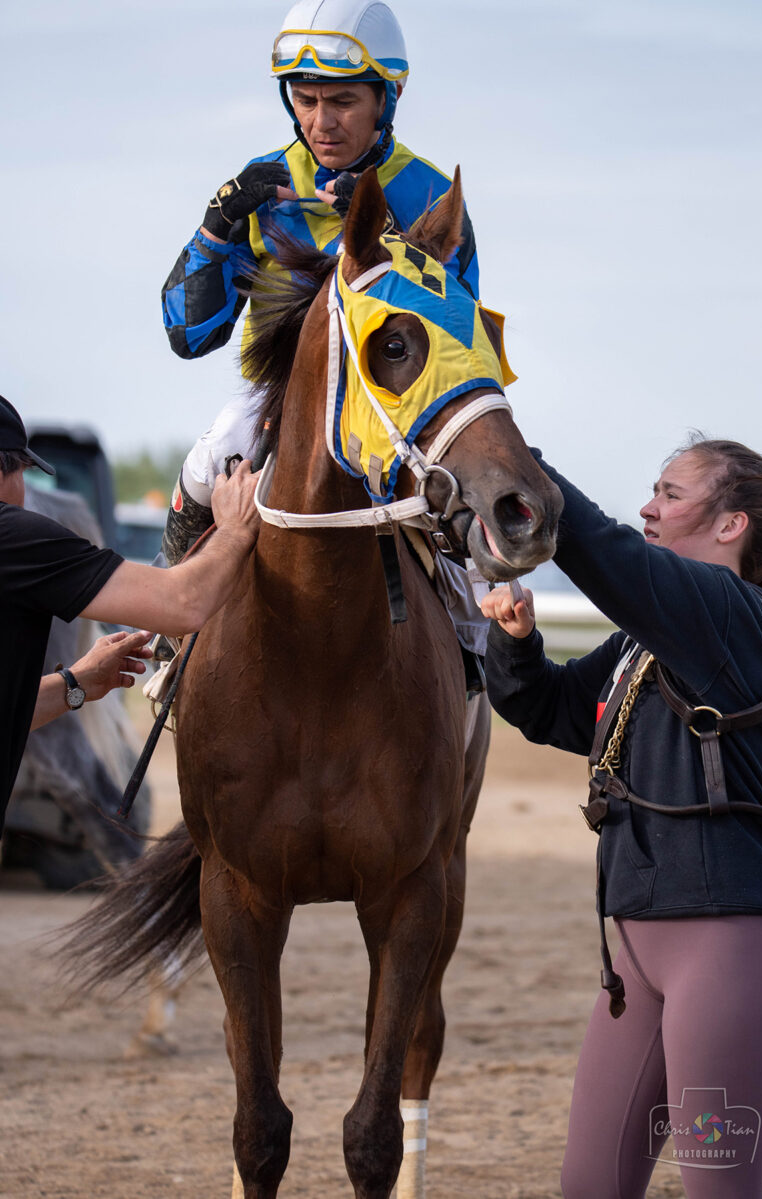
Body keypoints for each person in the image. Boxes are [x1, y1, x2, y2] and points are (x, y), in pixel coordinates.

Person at [481, 437, 762, 1199]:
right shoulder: (646, 642)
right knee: (591, 1184)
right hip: (635, 949)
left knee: (721, 1191)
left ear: (730, 527)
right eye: (651, 491)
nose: (649, 507)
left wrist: (505, 448)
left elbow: (609, 555)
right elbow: (555, 711)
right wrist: (518, 644)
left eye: (671, 492)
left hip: (731, 950)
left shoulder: (736, 613)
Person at [160, 0, 480, 562]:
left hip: (399, 416)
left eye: (343, 102)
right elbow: (189, 337)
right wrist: (213, 233)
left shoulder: (432, 195)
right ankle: (167, 623)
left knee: (480, 574)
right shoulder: (262, 187)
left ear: (389, 97)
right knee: (218, 447)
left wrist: (389, 235)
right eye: (305, 100)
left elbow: (460, 332)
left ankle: (485, 648)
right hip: (279, 410)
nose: (321, 123)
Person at [0, 395, 261, 835]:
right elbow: (184, 604)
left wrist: (76, 685)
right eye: (23, 474)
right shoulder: (11, 536)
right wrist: (235, 530)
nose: (24, 496)